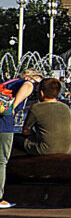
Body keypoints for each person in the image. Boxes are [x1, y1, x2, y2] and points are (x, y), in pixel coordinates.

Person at [0, 70, 41, 207]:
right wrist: (13, 107)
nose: (37, 88)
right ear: (29, 77)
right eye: (38, 83)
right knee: (1, 161)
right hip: (4, 126)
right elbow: (27, 88)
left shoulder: (8, 83)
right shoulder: (27, 83)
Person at [14, 77, 71, 155]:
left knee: (13, 138)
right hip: (66, 149)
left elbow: (25, 131)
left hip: (45, 149)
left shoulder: (36, 108)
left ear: (42, 93)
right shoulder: (65, 108)